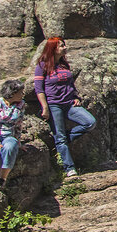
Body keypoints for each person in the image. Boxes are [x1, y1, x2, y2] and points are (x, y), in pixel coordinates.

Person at [33, 37, 96, 177]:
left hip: (69, 104)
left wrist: (75, 97)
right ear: (53, 49)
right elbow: (39, 89)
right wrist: (45, 107)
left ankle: (60, 141)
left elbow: (71, 84)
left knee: (90, 122)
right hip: (54, 105)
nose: (65, 48)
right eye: (61, 46)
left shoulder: (63, 65)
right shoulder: (42, 66)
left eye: (64, 45)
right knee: (60, 137)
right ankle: (69, 168)